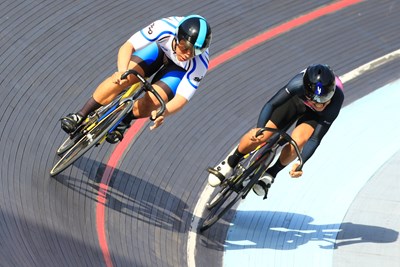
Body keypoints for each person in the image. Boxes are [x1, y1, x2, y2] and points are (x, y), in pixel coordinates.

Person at [60, 15, 212, 143]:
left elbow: (181, 99)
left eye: (196, 51)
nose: (187, 54)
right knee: (123, 78)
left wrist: (163, 113)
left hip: (178, 70)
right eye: (185, 47)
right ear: (177, 36)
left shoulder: (200, 63)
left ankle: (125, 120)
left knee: (154, 100)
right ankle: (80, 115)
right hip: (159, 50)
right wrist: (121, 71)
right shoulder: (164, 27)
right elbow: (128, 46)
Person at [208, 64, 344, 197]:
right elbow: (271, 104)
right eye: (315, 101)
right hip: (296, 101)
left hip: (313, 117)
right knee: (261, 135)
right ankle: (231, 161)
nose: (320, 105)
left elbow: (315, 138)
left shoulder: (335, 102)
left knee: (298, 142)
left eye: (324, 100)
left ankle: (270, 174)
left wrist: (300, 162)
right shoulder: (297, 84)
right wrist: (260, 128)